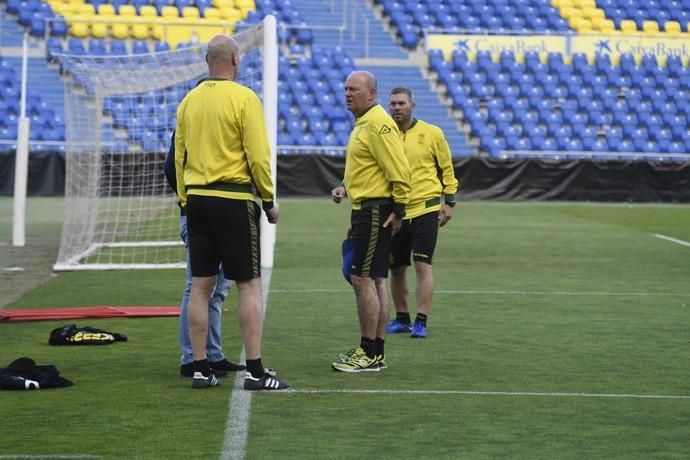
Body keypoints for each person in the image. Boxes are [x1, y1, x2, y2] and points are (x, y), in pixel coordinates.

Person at [174, 35, 289, 390]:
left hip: (197, 199)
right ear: (236, 60)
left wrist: (184, 199)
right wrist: (268, 200)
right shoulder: (244, 98)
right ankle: (255, 371)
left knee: (200, 288)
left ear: (207, 61)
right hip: (233, 199)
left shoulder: (188, 101)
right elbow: (257, 155)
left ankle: (199, 368)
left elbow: (180, 157)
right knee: (249, 286)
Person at [331, 71, 411, 372]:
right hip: (368, 208)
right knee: (375, 278)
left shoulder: (378, 124)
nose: (348, 94)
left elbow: (399, 169)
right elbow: (370, 169)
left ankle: (367, 352)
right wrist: (348, 189)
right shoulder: (365, 123)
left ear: (371, 93)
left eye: (354, 89)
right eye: (345, 89)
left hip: (376, 210)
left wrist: (399, 208)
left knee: (362, 278)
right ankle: (375, 353)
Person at [164, 127, 246, 379]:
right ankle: (191, 358)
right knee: (198, 287)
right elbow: (171, 167)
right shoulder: (190, 125)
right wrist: (187, 200)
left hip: (212, 212)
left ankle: (213, 355)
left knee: (217, 290)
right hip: (199, 214)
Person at [385, 87, 459, 338]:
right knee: (395, 269)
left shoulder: (432, 133)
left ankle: (421, 321)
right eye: (393, 103)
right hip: (396, 210)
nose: (396, 107)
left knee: (422, 264)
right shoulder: (385, 134)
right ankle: (402, 318)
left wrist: (449, 201)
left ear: (412, 106)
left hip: (426, 207)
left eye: (401, 103)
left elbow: (447, 169)